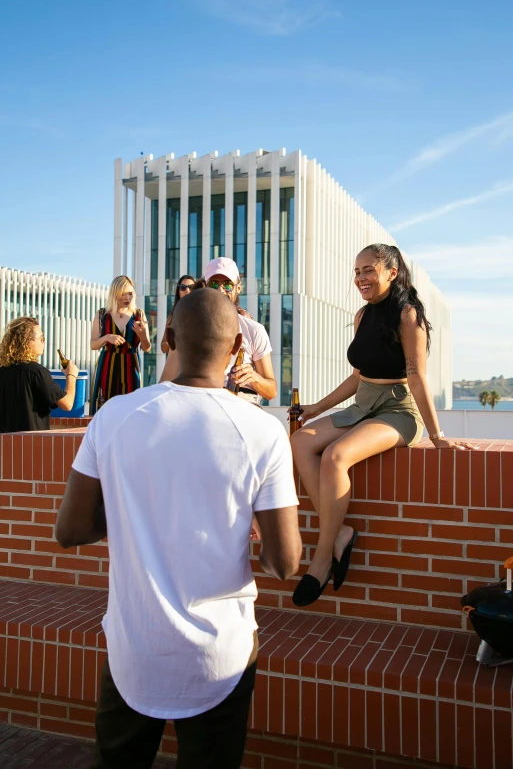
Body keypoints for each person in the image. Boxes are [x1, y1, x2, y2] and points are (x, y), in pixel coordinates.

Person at [55, 288, 302, 769]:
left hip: (135, 650)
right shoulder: (264, 431)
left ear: (167, 339)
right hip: (221, 658)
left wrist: (135, 507)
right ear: (236, 350)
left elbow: (70, 530)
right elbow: (285, 562)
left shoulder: (114, 418)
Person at [291, 243, 477, 608]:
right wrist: (315, 408)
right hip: (363, 405)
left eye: (368, 270)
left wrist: (438, 437)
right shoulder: (362, 316)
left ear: (392, 272)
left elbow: (418, 378)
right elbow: (356, 377)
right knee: (299, 443)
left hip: (398, 412)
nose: (360, 277)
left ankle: (322, 557)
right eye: (357, 271)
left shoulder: (409, 317)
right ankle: (341, 530)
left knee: (335, 456)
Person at [160, 258, 276, 405]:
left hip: (242, 405)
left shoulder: (254, 330)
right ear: (204, 286)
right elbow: (166, 379)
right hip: (200, 402)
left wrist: (254, 377)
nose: (220, 290)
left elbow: (271, 391)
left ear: (238, 288)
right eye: (214, 284)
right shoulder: (189, 325)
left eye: (227, 285)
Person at [0, 316, 79, 433]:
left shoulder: (3, 371)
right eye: (41, 338)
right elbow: (67, 404)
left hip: (6, 444)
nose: (44, 342)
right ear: (27, 341)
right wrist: (71, 376)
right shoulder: (36, 371)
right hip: (32, 443)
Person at [89, 275, 151, 415]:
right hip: (108, 363)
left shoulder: (139, 314)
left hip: (131, 364)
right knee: (106, 408)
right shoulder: (102, 314)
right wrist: (107, 337)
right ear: (115, 293)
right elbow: (93, 345)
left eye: (130, 293)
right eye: (123, 294)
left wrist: (142, 335)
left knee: (131, 408)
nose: (127, 298)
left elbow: (147, 348)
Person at [159, 275, 196, 354]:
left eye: (191, 287)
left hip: (195, 362)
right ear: (178, 292)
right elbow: (163, 347)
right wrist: (172, 342)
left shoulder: (202, 314)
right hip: (175, 362)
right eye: (183, 287)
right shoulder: (173, 316)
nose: (187, 290)